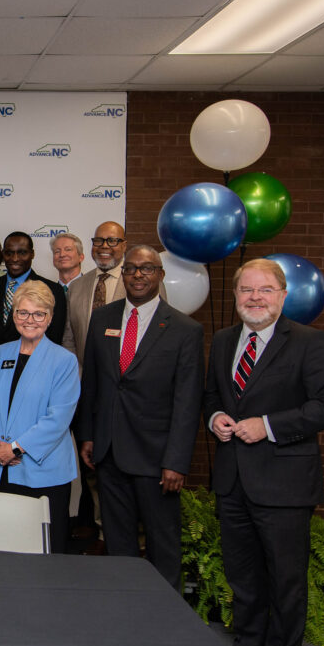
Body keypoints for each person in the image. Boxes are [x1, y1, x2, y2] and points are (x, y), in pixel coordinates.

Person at [205, 259, 324, 646]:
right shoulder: (225, 340)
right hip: (233, 480)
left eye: (265, 290)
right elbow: (212, 394)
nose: (255, 298)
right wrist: (216, 418)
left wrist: (266, 424)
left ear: (283, 296)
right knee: (243, 574)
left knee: (285, 578)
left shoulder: (309, 342)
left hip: (284, 484)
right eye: (246, 290)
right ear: (236, 296)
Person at [76, 245, 202, 588]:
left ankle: (167, 622)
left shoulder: (184, 329)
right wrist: (87, 435)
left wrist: (176, 461)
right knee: (118, 543)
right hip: (109, 452)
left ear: (160, 275)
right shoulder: (103, 318)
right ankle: (125, 613)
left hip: (157, 459)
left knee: (162, 544)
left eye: (147, 269)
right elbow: (93, 383)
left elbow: (187, 402)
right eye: (131, 269)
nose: (138, 275)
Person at [0, 280, 80, 554]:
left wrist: (13, 448)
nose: (30, 320)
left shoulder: (64, 360)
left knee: (45, 551)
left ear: (50, 318)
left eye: (39, 314)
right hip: (0, 469)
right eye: (23, 312)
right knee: (4, 550)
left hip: (42, 473)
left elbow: (58, 418)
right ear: (13, 315)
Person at [0, 231, 67, 346]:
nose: (15, 259)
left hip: (35, 361)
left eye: (22, 253)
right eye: (9, 253)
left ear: (32, 254)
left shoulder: (53, 290)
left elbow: (55, 338)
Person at [63, 222, 128, 371]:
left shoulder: (139, 284)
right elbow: (69, 338)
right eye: (98, 241)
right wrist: (75, 374)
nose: (104, 246)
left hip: (126, 382)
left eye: (112, 241)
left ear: (124, 245)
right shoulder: (77, 286)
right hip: (83, 379)